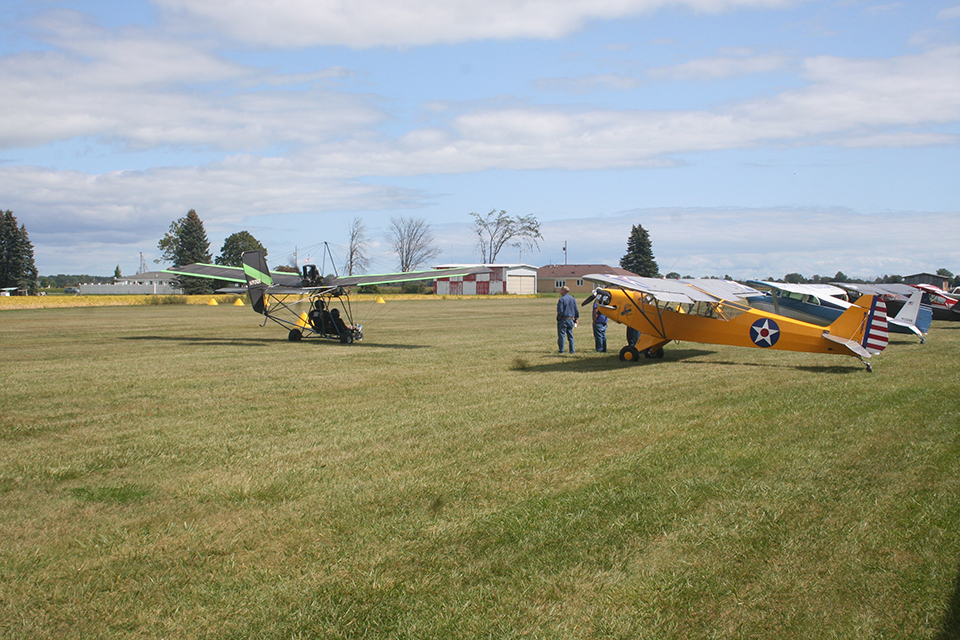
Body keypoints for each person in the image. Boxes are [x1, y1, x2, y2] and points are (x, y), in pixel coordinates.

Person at [556, 286, 578, 353]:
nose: (560, 291)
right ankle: (572, 350)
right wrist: (576, 318)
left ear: (564, 291)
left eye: (561, 290)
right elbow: (576, 309)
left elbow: (560, 311)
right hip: (571, 319)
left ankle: (561, 350)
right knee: (570, 335)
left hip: (563, 319)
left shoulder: (562, 299)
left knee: (562, 335)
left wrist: (558, 318)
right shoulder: (572, 299)